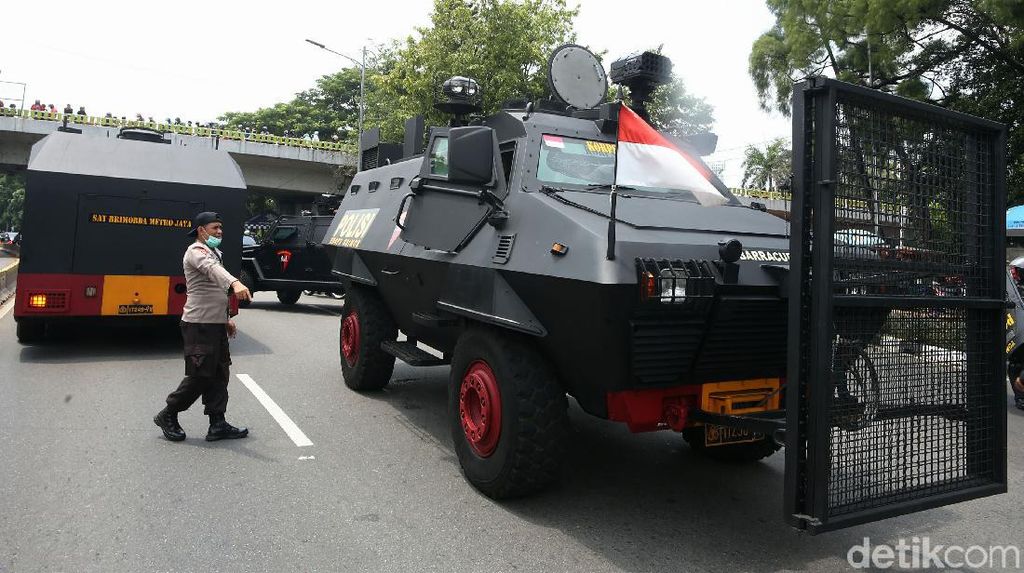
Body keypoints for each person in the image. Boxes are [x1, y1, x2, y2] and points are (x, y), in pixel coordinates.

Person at [154, 212, 252, 442]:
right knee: (200, 374)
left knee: (219, 372)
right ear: (201, 230)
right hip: (199, 324)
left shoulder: (214, 252)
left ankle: (217, 423)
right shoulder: (196, 252)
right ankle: (168, 413)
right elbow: (212, 271)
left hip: (214, 323)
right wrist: (235, 282)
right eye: (215, 228)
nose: (220, 232)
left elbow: (215, 291)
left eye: (221, 228)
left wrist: (225, 319)